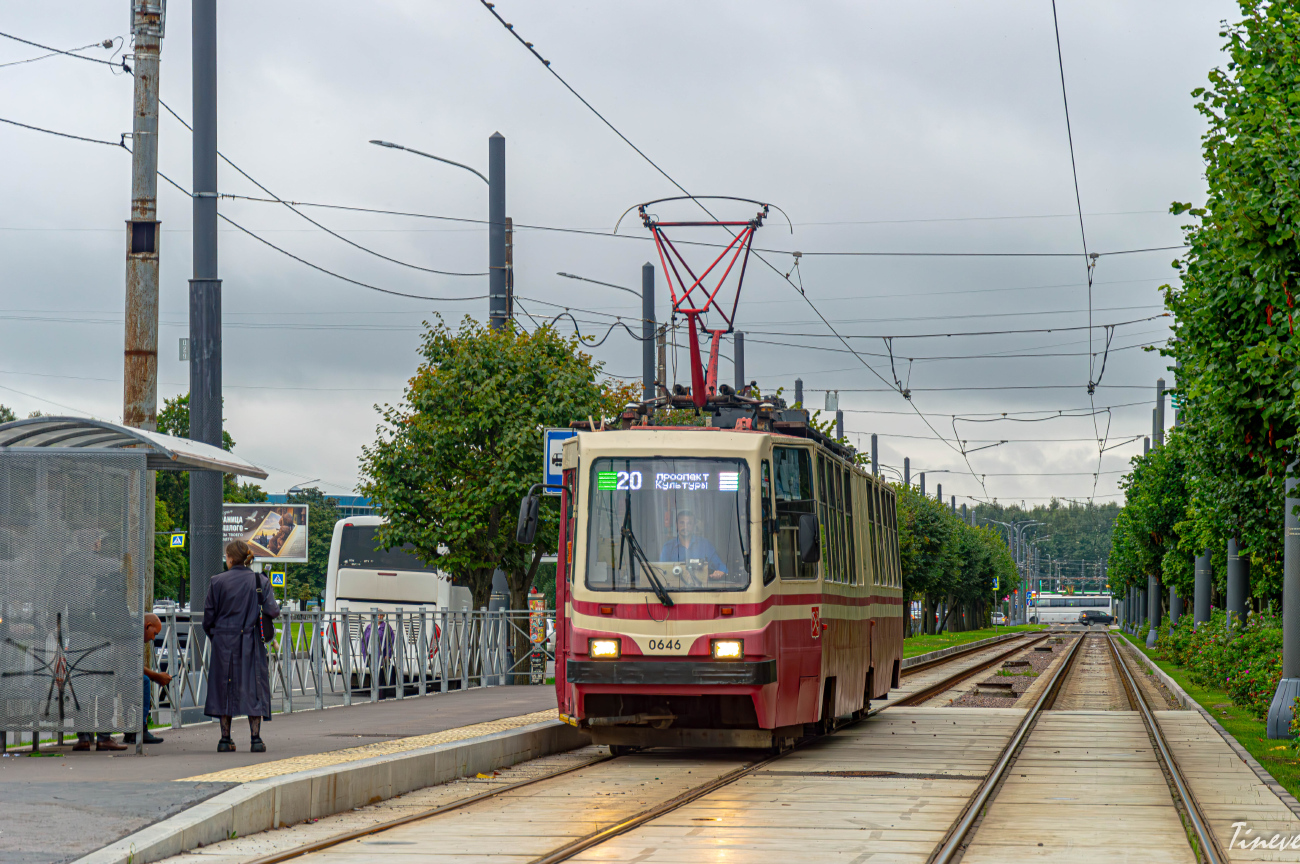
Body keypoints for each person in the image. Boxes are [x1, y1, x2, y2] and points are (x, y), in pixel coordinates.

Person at [203, 539, 280, 753]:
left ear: (229, 558)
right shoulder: (259, 580)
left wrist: (217, 637)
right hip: (251, 640)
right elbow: (273, 611)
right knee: (253, 686)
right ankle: (256, 739)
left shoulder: (217, 581)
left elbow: (208, 619)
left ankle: (225, 739)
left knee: (223, 688)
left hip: (223, 643)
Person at [123, 613, 172, 745]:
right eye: (154, 633)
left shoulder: (133, 632)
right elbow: (133, 664)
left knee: (139, 679)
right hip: (114, 674)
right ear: (147, 626)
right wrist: (156, 676)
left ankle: (130, 731)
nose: (153, 638)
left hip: (115, 673)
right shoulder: (133, 634)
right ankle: (140, 728)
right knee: (143, 681)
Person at [659, 510, 726, 580]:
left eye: (689, 523)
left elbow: (721, 567)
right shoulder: (668, 547)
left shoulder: (705, 545)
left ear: (694, 525)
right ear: (676, 525)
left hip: (701, 589)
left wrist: (719, 573)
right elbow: (661, 572)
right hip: (674, 589)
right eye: (682, 523)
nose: (685, 527)